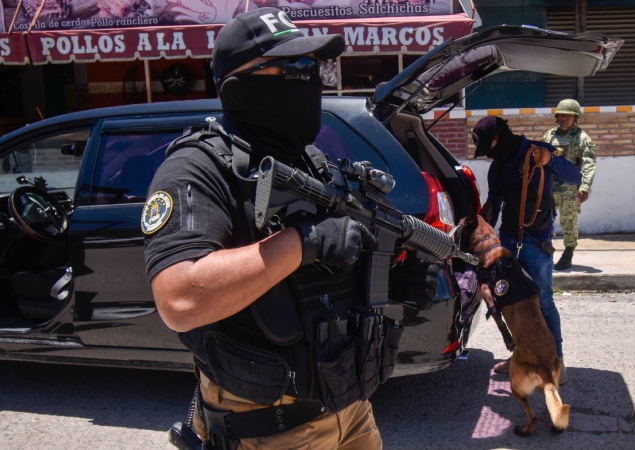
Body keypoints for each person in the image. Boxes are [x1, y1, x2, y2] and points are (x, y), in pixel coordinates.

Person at [142, 7, 438, 450]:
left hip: (349, 407)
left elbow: (327, 272)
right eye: (295, 67)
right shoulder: (197, 168)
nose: (311, 80)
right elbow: (179, 299)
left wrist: (392, 280)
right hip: (267, 426)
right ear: (239, 84)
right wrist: (302, 243)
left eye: (314, 67)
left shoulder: (311, 163)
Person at [472, 116, 582, 385]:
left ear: (501, 135)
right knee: (512, 301)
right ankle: (520, 355)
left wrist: (551, 160)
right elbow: (495, 203)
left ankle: (557, 361)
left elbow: (574, 176)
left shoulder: (537, 152)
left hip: (536, 242)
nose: (489, 153)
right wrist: (487, 237)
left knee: (543, 301)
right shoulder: (497, 167)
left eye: (489, 145)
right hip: (508, 243)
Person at [542, 99, 597, 270]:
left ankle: (568, 253)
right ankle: (545, 252)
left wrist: (585, 187)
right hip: (549, 186)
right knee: (544, 220)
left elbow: (589, 163)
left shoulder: (582, 138)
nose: (564, 118)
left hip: (569, 187)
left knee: (568, 220)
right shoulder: (549, 135)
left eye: (568, 115)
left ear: (575, 117)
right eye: (561, 115)